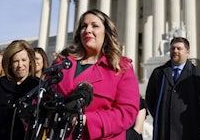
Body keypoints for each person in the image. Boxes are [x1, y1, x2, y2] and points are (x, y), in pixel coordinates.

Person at [53, 9, 139, 139]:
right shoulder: (62, 64)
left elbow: (127, 112)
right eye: (84, 26)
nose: (88, 30)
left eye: (95, 26)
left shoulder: (120, 68)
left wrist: (89, 120)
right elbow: (45, 97)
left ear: (106, 33)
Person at [145, 37, 200, 140]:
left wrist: (196, 121)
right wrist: (164, 117)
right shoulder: (159, 73)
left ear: (187, 52)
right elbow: (150, 99)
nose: (175, 51)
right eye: (173, 48)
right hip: (164, 133)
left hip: (190, 132)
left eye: (179, 48)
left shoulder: (198, 74)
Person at [0, 40, 39, 140]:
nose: (20, 65)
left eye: (24, 60)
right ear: (10, 63)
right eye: (16, 61)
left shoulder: (38, 86)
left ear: (30, 61)